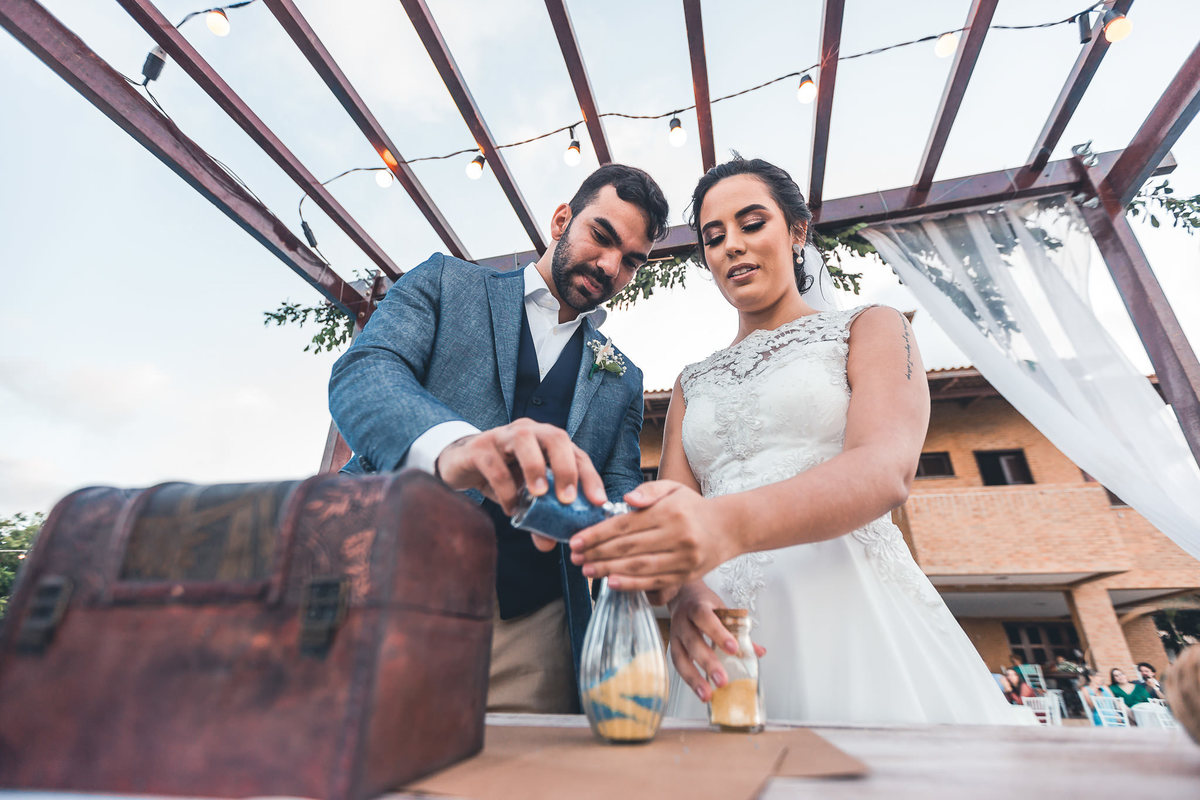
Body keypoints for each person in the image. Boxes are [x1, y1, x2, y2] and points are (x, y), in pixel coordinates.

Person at [570, 156, 1019, 724]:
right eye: (714, 237)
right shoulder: (691, 382)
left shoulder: (871, 328)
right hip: (724, 633)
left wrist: (722, 526)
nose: (732, 245)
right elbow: (676, 508)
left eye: (752, 223)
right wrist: (685, 594)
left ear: (797, 231)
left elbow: (886, 469)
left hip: (852, 613)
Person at [329, 164, 669, 714]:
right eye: (601, 236)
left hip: (534, 630)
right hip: (384, 589)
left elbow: (618, 491)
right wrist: (454, 447)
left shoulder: (623, 379)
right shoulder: (447, 282)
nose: (610, 266)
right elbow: (366, 372)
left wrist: (652, 543)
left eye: (631, 260)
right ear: (561, 220)